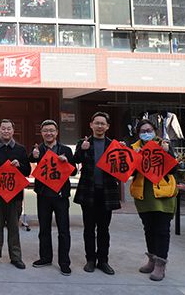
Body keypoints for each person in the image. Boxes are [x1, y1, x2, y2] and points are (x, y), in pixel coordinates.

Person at [130, 119, 177, 282]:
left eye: (149, 130)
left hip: (164, 194)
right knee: (149, 228)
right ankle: (152, 259)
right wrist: (132, 157)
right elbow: (129, 172)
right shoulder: (134, 148)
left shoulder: (164, 145)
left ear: (155, 131)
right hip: (144, 195)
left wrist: (166, 152)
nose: (146, 133)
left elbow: (174, 169)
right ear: (138, 133)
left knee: (162, 230)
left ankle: (160, 264)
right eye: (143, 131)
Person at [73, 112, 120, 275]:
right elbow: (75, 161)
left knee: (104, 229)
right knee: (88, 228)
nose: (99, 126)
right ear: (91, 125)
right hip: (88, 191)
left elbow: (122, 166)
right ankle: (90, 260)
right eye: (97, 123)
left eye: (103, 123)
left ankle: (103, 261)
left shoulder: (113, 145)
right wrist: (82, 150)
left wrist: (124, 151)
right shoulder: (83, 142)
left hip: (107, 192)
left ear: (107, 127)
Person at [29, 119, 76, 276]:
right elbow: (29, 160)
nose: (48, 133)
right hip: (43, 195)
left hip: (61, 196)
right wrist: (33, 156)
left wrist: (66, 161)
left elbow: (74, 171)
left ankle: (64, 262)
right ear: (41, 133)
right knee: (44, 228)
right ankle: (45, 258)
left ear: (57, 133)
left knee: (63, 230)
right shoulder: (38, 149)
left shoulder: (65, 149)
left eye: (51, 130)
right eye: (45, 131)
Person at [0, 119, 31, 269]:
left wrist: (19, 165)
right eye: (3, 128)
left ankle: (15, 257)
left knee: (14, 227)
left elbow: (27, 170)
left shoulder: (20, 149)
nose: (6, 131)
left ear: (13, 131)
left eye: (9, 129)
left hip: (15, 195)